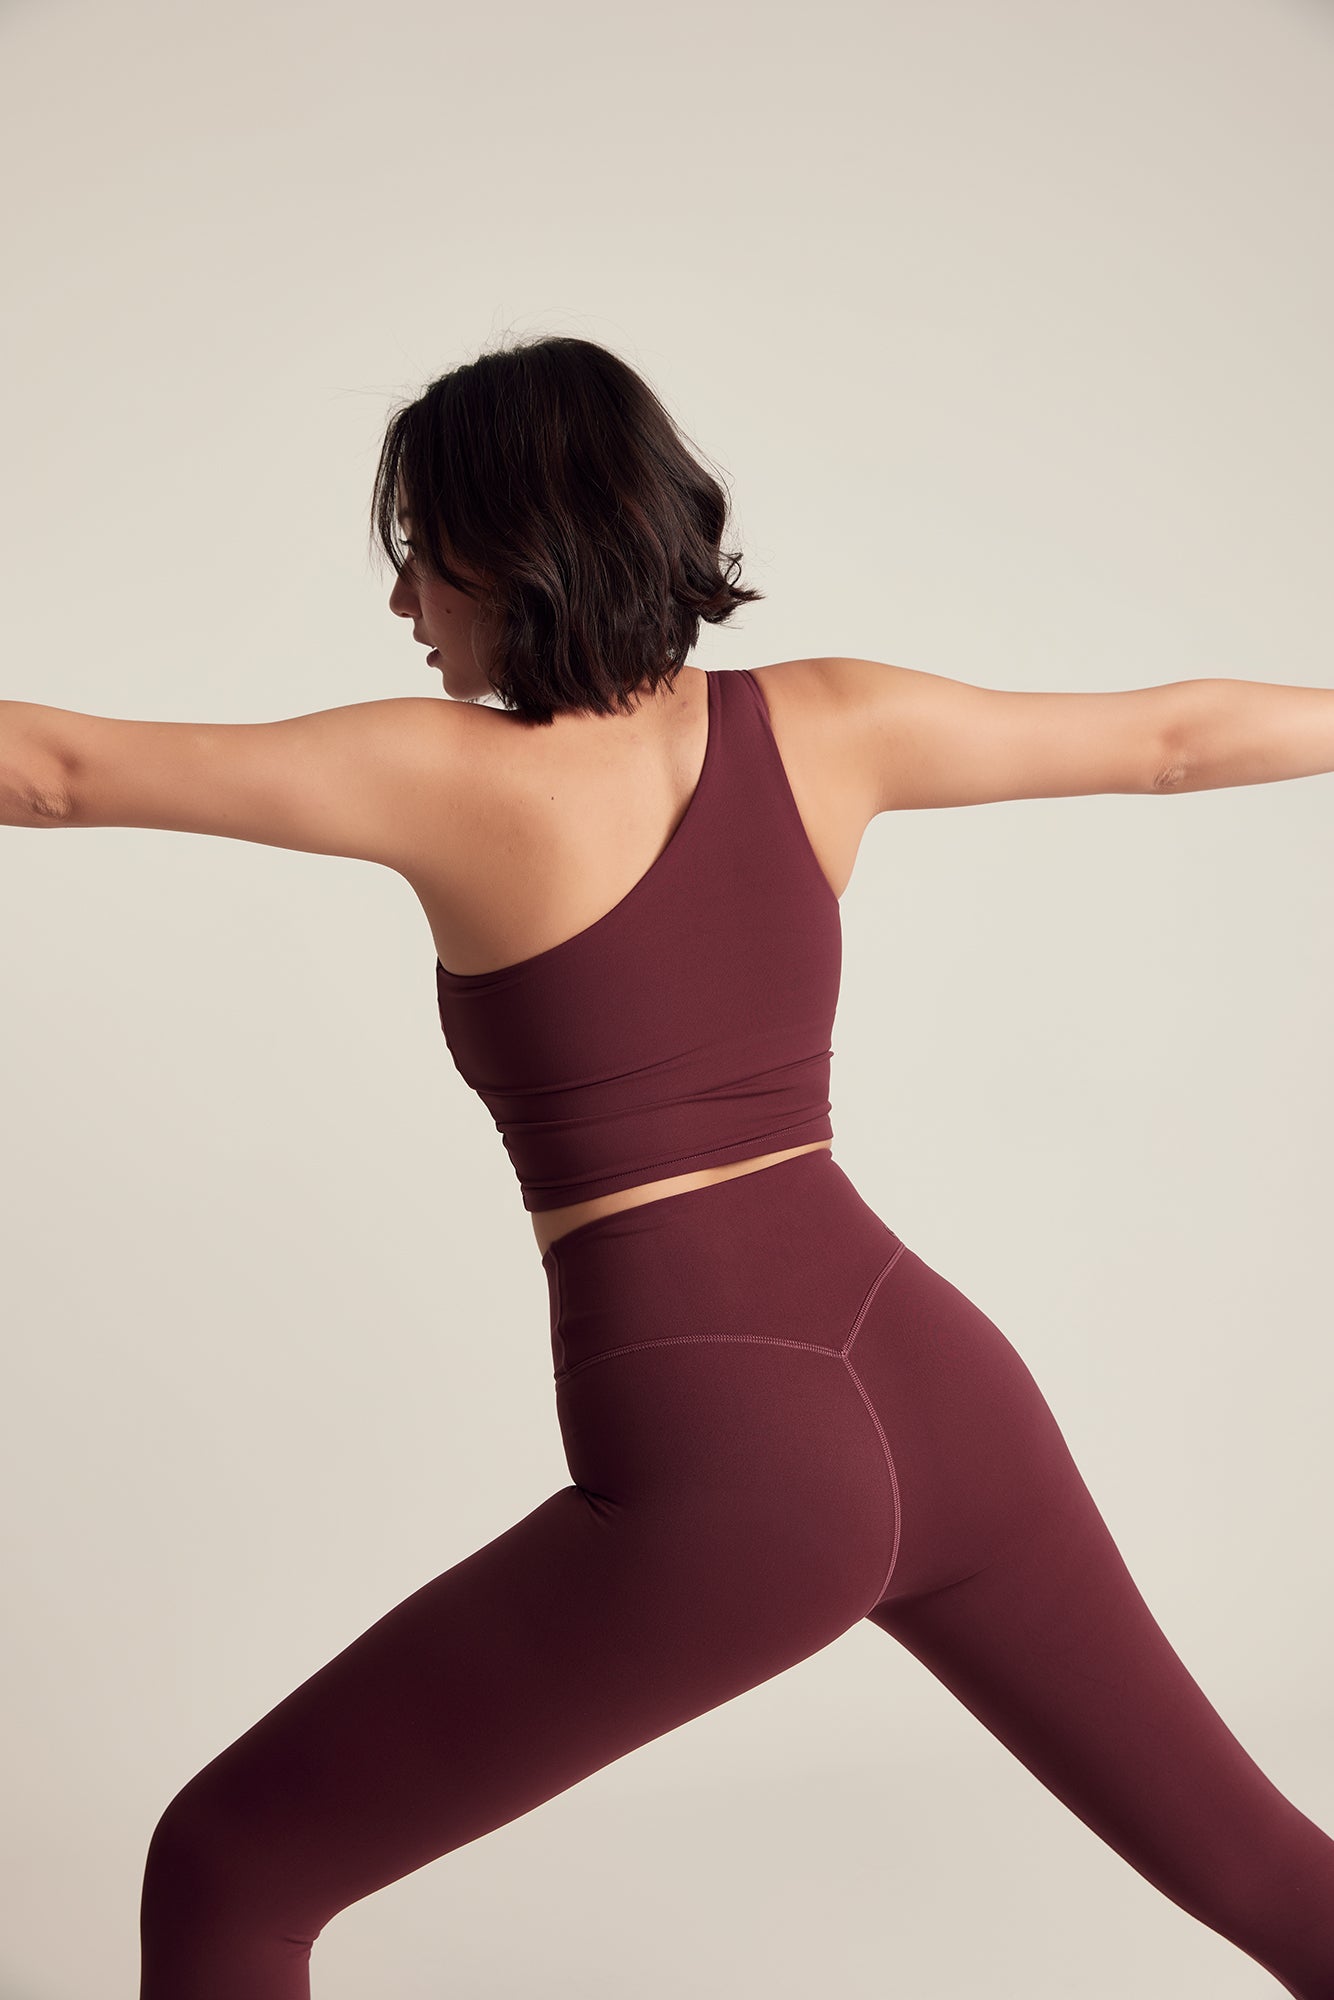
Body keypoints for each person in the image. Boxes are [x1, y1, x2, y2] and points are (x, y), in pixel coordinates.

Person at [4, 335, 1332, 1998]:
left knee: (231, 1872)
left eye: (423, 552)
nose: (403, 601)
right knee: (1269, 1876)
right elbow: (1176, 742)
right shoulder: (831, 724)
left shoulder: (439, 773)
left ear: (518, 546)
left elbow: (50, 771)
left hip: (732, 1447)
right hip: (938, 1383)